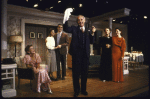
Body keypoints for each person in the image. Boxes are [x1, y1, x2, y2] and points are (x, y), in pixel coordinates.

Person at [63, 9, 96, 97]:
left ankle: (83, 90)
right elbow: (66, 28)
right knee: (76, 74)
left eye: (82, 20)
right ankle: (76, 91)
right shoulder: (74, 28)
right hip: (76, 55)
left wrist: (92, 33)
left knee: (85, 74)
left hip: (85, 55)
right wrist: (66, 17)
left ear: (84, 20)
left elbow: (92, 41)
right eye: (78, 20)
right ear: (77, 21)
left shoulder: (88, 30)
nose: (80, 21)